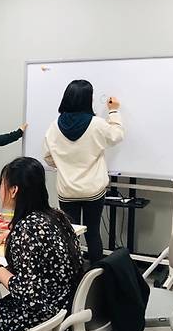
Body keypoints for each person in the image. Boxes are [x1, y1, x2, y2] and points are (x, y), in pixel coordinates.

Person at [0, 157, 83, 331]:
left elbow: (28, 295)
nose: (0, 189)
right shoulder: (57, 216)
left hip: (44, 321)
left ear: (14, 190)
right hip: (67, 309)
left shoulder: (28, 229)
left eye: (2, 183)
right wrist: (15, 235)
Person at [43, 80, 124, 264]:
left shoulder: (54, 126)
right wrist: (113, 111)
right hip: (93, 190)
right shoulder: (97, 124)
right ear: (88, 99)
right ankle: (97, 279)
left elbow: (47, 156)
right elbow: (117, 135)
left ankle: (73, 275)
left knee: (70, 234)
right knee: (93, 232)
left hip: (67, 190)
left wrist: (64, 164)